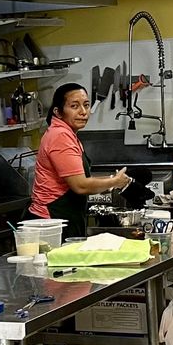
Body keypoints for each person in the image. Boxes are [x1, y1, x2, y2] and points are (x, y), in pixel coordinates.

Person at [30, 82, 129, 238]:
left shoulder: (66, 133)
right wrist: (114, 182)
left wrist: (111, 180)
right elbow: (80, 186)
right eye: (74, 106)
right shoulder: (60, 136)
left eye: (86, 105)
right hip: (51, 222)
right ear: (58, 111)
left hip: (61, 219)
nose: (83, 112)